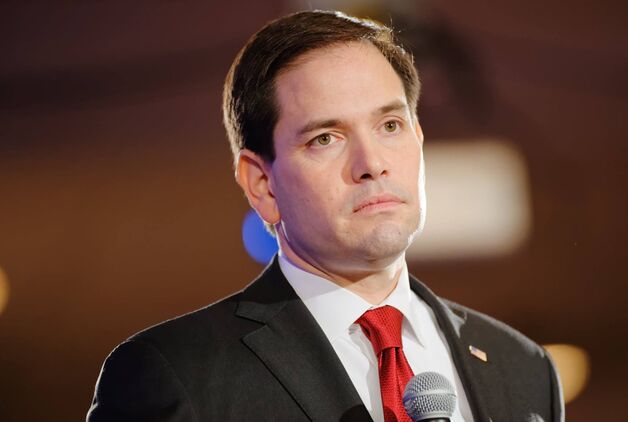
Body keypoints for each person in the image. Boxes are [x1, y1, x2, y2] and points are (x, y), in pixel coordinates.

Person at [87, 10, 564, 422]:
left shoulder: (524, 369)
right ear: (262, 183)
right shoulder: (175, 375)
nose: (372, 163)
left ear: (418, 140)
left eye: (390, 125)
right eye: (325, 138)